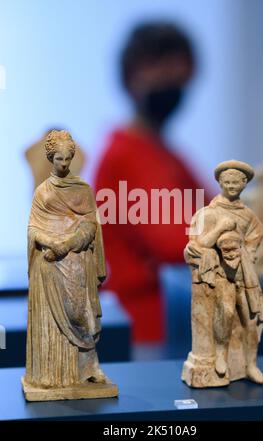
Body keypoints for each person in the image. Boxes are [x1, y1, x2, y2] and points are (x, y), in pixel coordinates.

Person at [94, 22, 214, 345]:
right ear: (131, 77)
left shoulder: (166, 153)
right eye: (158, 67)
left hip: (176, 323)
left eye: (179, 68)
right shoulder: (125, 155)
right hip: (146, 331)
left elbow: (225, 213)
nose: (171, 78)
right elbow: (181, 243)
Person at [24, 130, 107, 390]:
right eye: (59, 159)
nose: (64, 164)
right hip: (47, 263)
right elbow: (32, 228)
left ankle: (88, 367)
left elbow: (90, 225)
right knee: (51, 319)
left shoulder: (82, 189)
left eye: (67, 158)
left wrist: (66, 245)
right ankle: (50, 374)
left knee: (81, 314)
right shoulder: (42, 192)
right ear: (50, 158)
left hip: (75, 258)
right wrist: (50, 243)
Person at [183, 160, 263, 387]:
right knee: (226, 312)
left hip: (245, 274)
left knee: (251, 320)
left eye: (236, 182)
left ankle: (250, 364)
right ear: (220, 182)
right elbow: (197, 244)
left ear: (244, 184)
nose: (232, 186)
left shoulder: (247, 214)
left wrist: (250, 251)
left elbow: (257, 232)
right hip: (220, 275)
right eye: (227, 182)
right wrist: (221, 228)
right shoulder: (208, 213)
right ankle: (220, 354)